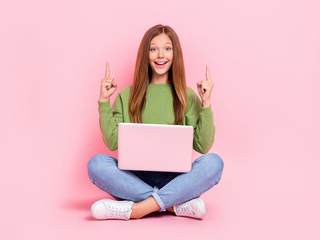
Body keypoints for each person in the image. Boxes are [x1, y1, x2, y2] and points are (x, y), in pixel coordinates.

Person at [87, 24, 224, 220]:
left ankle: (137, 210)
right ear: (146, 54)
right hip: (135, 177)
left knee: (214, 162)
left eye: (167, 48)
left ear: (175, 54)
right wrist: (103, 101)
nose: (161, 55)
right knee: (96, 164)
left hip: (176, 179)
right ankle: (173, 206)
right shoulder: (127, 95)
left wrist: (206, 103)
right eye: (153, 49)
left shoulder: (187, 96)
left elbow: (203, 146)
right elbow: (111, 143)